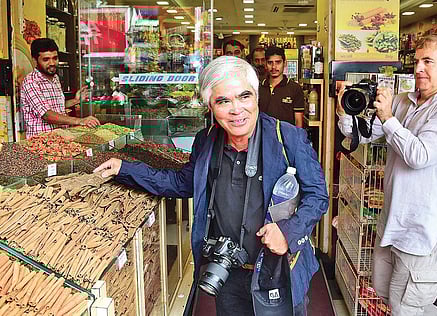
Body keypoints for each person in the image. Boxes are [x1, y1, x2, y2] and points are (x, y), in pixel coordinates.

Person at [94, 56, 329, 316]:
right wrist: (125, 169)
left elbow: (317, 195)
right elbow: (182, 183)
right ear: (210, 106)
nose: (236, 110)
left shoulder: (288, 138)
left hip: (280, 270)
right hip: (228, 273)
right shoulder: (206, 141)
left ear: (257, 98)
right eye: (223, 101)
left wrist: (288, 232)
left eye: (244, 97)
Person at [337, 34, 437, 315]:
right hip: (392, 224)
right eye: (416, 61)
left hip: (424, 232)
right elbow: (363, 137)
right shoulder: (403, 101)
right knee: (388, 297)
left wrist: (388, 118)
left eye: (428, 61)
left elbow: (419, 156)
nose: (419, 68)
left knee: (407, 307)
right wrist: (344, 111)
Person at [21, 38, 99, 138]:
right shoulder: (31, 82)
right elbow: (47, 115)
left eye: (55, 58)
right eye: (46, 59)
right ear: (35, 60)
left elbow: (56, 107)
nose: (52, 63)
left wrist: (75, 100)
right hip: (42, 143)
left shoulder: (55, 78)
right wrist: (80, 121)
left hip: (61, 140)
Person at [259, 46, 304, 128]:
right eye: (270, 62)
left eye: (278, 62)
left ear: (285, 63)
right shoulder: (258, 88)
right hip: (262, 138)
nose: (274, 67)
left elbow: (298, 121)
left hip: (286, 138)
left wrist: (297, 139)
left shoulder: (295, 88)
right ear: (265, 64)